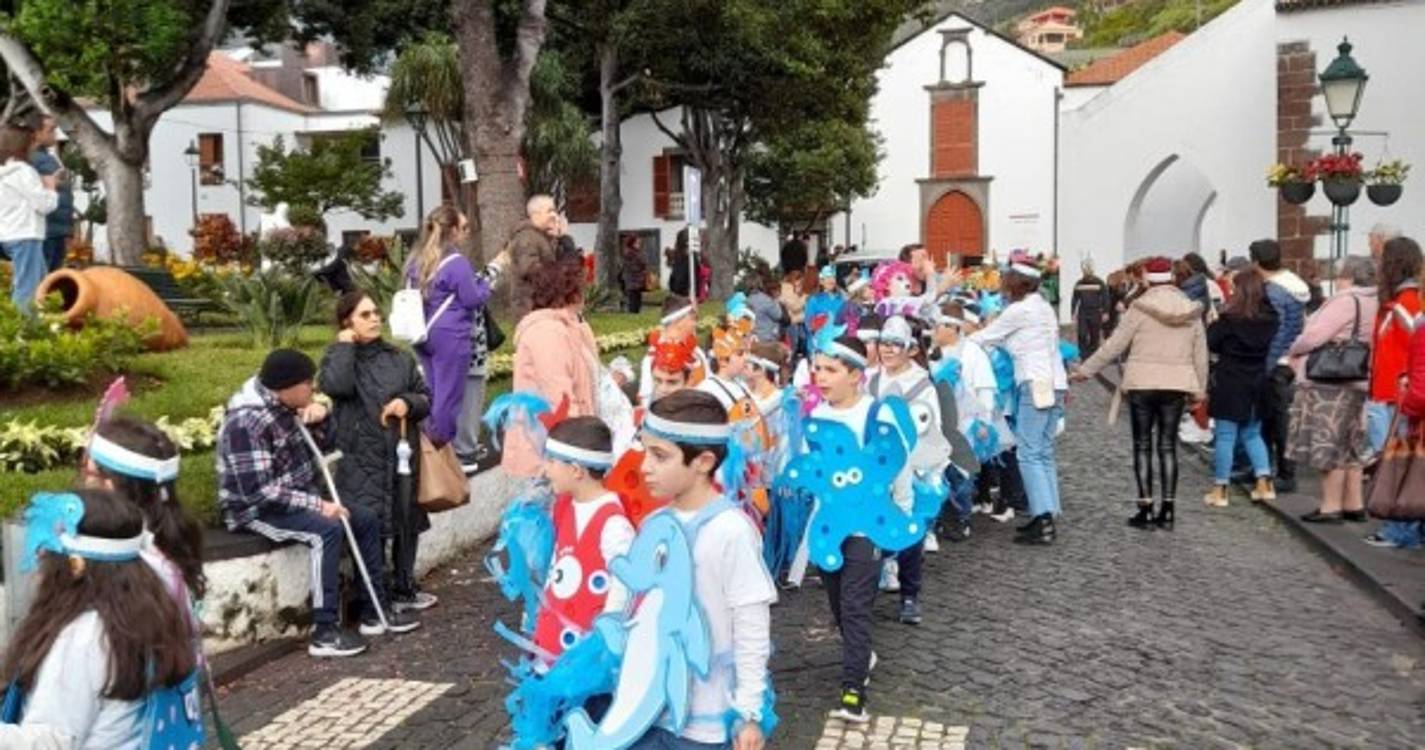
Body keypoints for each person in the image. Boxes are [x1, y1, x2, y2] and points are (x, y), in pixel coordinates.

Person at [218, 349, 420, 657]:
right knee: (326, 530)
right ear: (287, 386)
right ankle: (324, 631)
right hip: (257, 509)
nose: (313, 388)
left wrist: (322, 418)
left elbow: (326, 446)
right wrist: (317, 506)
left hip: (298, 497)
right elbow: (258, 491)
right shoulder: (247, 422)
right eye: (307, 383)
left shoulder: (289, 406)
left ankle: (374, 611)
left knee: (365, 518)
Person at [631, 389, 775, 749]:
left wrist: (749, 712)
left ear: (703, 461)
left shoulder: (732, 531)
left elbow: (750, 623)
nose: (644, 466)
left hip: (705, 721)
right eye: (645, 451)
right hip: (648, 711)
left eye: (659, 455)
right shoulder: (653, 525)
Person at [0, 489, 197, 748]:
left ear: (74, 567)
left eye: (44, 554)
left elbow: (53, 740)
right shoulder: (151, 609)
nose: (36, 566)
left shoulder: (84, 637)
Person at [803, 335, 912, 722]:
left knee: (855, 607)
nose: (821, 377)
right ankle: (862, 654)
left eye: (830, 370)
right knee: (838, 604)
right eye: (817, 369)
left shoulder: (876, 414)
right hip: (828, 527)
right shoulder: (816, 417)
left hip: (868, 527)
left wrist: (902, 517)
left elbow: (899, 464)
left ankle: (853, 692)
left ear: (855, 375)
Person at [320, 291, 437, 613]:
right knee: (371, 525)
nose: (374, 319)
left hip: (401, 453)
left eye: (375, 313)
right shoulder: (338, 357)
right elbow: (336, 386)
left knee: (406, 519)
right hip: (361, 457)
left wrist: (407, 403)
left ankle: (405, 587)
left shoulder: (399, 358)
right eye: (364, 315)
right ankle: (373, 596)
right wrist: (345, 346)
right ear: (347, 322)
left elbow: (425, 397)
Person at [1073, 257, 1207, 528]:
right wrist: (1200, 390)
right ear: (1172, 278)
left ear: (1147, 279)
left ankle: (1145, 508)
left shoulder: (1139, 308)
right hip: (1177, 383)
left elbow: (1114, 345)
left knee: (1142, 445)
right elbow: (1200, 354)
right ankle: (1168, 511)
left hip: (1142, 382)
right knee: (1168, 446)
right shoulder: (1190, 310)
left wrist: (1086, 370)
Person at [970, 261, 1068, 545]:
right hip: (1055, 382)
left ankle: (1043, 520)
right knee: (1043, 451)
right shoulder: (1043, 307)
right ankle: (1048, 512)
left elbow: (986, 336)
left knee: (1028, 452)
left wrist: (962, 343)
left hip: (1034, 382)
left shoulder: (1019, 310)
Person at [406, 206, 508, 461]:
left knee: (433, 391)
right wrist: (486, 285)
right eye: (463, 228)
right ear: (452, 230)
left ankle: (426, 444)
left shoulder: (417, 260)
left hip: (422, 333)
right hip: (451, 335)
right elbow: (472, 299)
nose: (465, 233)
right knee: (448, 397)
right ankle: (442, 453)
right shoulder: (456, 263)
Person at [865, 316, 946, 625]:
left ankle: (910, 595)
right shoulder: (870, 379)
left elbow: (932, 426)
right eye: (883, 343)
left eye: (895, 344)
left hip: (910, 464)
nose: (887, 349)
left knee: (909, 528)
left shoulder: (922, 384)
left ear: (910, 349)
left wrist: (928, 469)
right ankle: (864, 593)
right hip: (876, 464)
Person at [1285, 256, 1378, 523]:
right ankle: (1353, 503)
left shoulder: (1345, 300)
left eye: (1338, 276)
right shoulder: (1373, 300)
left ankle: (1331, 505)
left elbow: (1314, 336)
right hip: (1358, 377)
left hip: (1329, 381)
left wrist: (1294, 349)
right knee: (1351, 444)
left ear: (1347, 276)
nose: (1336, 281)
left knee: (1328, 442)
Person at [533, 417, 634, 660]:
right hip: (555, 639)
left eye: (552, 461)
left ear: (577, 471)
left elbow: (624, 585)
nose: (545, 469)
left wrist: (606, 639)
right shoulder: (565, 507)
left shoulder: (613, 523)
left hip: (588, 651)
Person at [82, 416, 206, 610]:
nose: (83, 483)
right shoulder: (165, 545)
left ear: (110, 485)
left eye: (89, 473)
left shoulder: (128, 567)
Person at [503, 255, 600, 479]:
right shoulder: (547, 332)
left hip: (558, 451)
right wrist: (579, 448)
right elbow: (560, 399)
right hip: (550, 456)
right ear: (569, 292)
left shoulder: (565, 327)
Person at [1364, 237, 1423, 548]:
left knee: (1398, 468)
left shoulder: (1408, 304)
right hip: (1389, 392)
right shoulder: (1399, 302)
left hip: (1398, 397)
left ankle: (1401, 530)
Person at [1203, 270, 1280, 507]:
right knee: (1253, 433)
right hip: (1257, 380)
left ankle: (1220, 488)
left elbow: (1211, 343)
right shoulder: (1271, 319)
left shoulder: (1229, 320)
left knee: (1226, 435)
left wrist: (1213, 323)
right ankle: (1264, 482)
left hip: (1230, 380)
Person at [1251, 239, 1310, 493]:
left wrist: (1267, 362)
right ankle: (1266, 468)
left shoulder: (1275, 291)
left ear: (1256, 262)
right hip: (1288, 359)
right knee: (1273, 418)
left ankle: (1284, 473)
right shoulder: (1292, 284)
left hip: (1276, 361)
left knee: (1276, 420)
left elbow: (1277, 330)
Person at [0, 124, 58, 312]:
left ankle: (38, 323)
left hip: (8, 233)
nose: (34, 146)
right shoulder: (25, 172)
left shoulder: (5, 173)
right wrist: (51, 188)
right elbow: (44, 205)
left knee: (41, 283)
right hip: (26, 234)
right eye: (32, 142)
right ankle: (21, 328)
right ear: (23, 145)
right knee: (28, 289)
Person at [637, 295, 707, 407]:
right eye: (692, 318)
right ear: (678, 321)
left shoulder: (696, 352)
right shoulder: (653, 356)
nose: (695, 323)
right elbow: (645, 401)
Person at [28, 116, 73, 273]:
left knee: (53, 276)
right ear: (36, 133)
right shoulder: (32, 159)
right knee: (43, 277)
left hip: (57, 230)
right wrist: (49, 183)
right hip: (46, 230)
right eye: (51, 130)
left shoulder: (47, 156)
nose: (55, 134)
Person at [508, 194, 560, 321]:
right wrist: (557, 274)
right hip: (530, 307)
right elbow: (528, 269)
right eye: (549, 211)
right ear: (535, 214)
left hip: (541, 304)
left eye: (554, 211)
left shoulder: (541, 237)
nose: (554, 215)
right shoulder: (527, 238)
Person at [1071, 260, 1110, 357]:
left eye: (1089, 268)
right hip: (1083, 312)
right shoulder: (1079, 283)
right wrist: (1073, 313)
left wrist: (1106, 312)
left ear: (1092, 269)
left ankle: (1093, 355)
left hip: (1095, 312)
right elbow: (1074, 299)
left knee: (1094, 335)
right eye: (1085, 269)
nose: (1087, 271)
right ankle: (1083, 355)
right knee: (1082, 334)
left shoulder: (1099, 282)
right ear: (1082, 270)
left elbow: (1105, 297)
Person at [747, 272, 787, 343]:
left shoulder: (747, 300)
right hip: (767, 337)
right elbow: (778, 315)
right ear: (760, 284)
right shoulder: (766, 300)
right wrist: (777, 302)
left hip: (753, 338)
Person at [780, 269, 808, 359]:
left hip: (796, 322)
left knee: (800, 344)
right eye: (798, 282)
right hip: (791, 323)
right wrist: (805, 297)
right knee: (792, 348)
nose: (799, 285)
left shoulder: (790, 289)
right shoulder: (787, 289)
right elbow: (795, 306)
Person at [620, 235, 648, 314]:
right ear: (632, 243)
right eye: (637, 242)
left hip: (637, 281)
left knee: (637, 301)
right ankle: (632, 314)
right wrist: (642, 271)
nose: (639, 244)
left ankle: (636, 314)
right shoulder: (629, 253)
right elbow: (631, 267)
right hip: (632, 281)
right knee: (633, 302)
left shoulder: (636, 252)